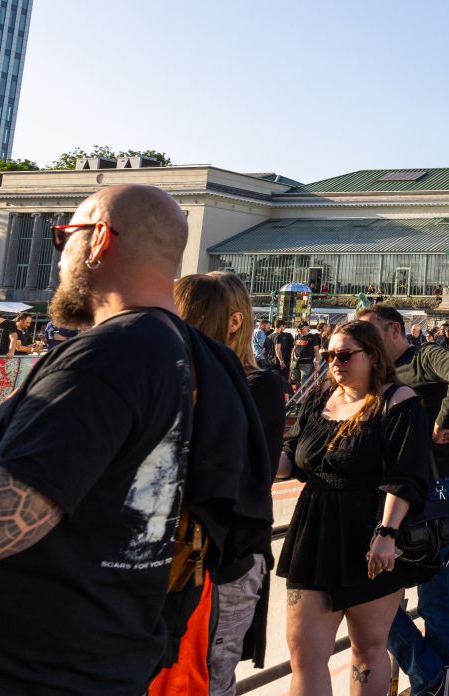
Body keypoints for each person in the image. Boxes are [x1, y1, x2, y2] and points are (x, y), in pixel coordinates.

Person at [0, 184, 197, 694]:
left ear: (99, 239)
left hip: (17, 669)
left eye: (65, 236)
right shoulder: (173, 345)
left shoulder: (110, 354)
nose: (59, 254)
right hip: (94, 655)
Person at [277, 318, 431, 696]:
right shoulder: (319, 398)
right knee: (305, 654)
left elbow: (406, 476)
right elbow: (290, 460)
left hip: (369, 532)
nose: (335, 362)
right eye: (329, 354)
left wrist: (387, 533)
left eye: (345, 354)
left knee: (368, 650)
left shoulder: (399, 400)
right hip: (313, 532)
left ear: (372, 355)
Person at [174, 271, 288, 696]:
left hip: (224, 558)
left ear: (233, 323)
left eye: (186, 317)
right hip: (180, 558)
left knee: (207, 678)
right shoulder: (177, 376)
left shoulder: (255, 386)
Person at [357, 305, 449, 696]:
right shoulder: (375, 373)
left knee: (435, 589)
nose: (364, 343)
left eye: (369, 332)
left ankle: (434, 680)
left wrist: (440, 423)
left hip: (438, 484)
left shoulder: (422, 356)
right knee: (373, 591)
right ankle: (434, 677)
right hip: (395, 492)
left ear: (395, 329)